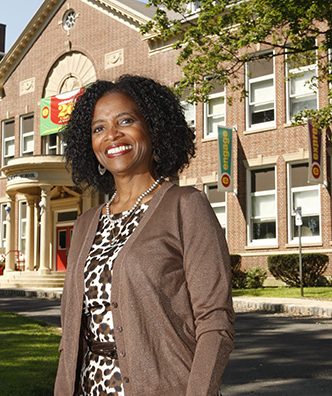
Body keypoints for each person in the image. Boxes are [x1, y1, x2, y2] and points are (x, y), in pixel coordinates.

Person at [54, 75, 234, 396]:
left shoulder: (186, 206)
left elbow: (215, 323)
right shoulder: (85, 224)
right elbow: (70, 335)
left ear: (153, 129)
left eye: (126, 120)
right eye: (99, 128)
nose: (112, 135)